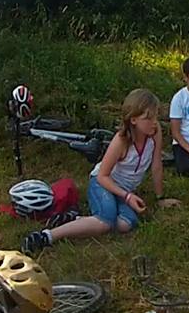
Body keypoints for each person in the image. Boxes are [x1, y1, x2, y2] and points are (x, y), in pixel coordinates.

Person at [21, 89, 179, 255]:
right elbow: (103, 175)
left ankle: (75, 219)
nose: (154, 122)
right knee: (105, 221)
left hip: (124, 191)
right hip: (103, 183)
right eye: (148, 118)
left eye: (156, 116)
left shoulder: (155, 133)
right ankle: (47, 236)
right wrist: (127, 197)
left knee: (127, 223)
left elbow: (156, 165)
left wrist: (160, 198)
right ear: (133, 120)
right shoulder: (121, 141)